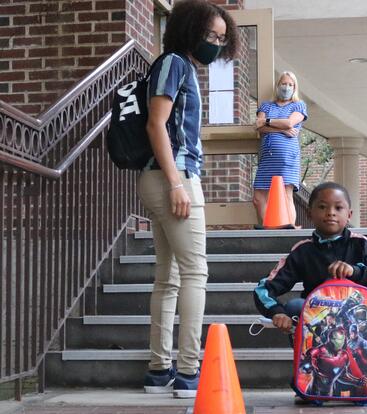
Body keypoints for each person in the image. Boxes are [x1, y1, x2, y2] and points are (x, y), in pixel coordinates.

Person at [138, 0, 239, 399]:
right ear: (188, 29)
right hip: (172, 178)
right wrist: (178, 183)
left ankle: (159, 371)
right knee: (194, 272)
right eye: (210, 35)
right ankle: (187, 371)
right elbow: (156, 124)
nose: (215, 43)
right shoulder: (174, 64)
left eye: (221, 38)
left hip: (161, 178)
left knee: (169, 276)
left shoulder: (175, 66)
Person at [253, 182, 367, 403]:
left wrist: (356, 271)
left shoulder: (362, 245)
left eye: (338, 208)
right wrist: (276, 313)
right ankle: (308, 374)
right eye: (322, 207)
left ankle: (336, 385)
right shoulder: (303, 251)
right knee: (295, 308)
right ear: (309, 213)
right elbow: (264, 288)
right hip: (321, 331)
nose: (330, 212)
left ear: (348, 214)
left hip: (357, 333)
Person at [252, 71, 308, 227]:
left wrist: (268, 121)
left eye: (291, 85)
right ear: (278, 85)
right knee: (258, 197)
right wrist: (281, 129)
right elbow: (259, 127)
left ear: (295, 88)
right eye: (284, 83)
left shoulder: (298, 105)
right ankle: (269, 227)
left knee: (286, 193)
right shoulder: (266, 105)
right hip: (267, 157)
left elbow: (290, 123)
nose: (287, 87)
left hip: (287, 157)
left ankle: (289, 229)